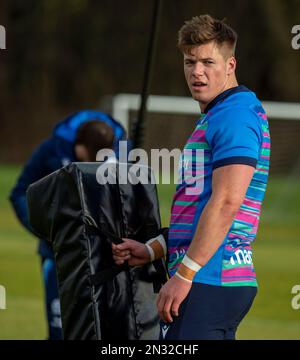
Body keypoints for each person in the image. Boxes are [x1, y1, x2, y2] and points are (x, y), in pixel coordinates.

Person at [111, 14, 271, 340]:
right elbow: (196, 209)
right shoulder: (217, 114)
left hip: (211, 278)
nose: (197, 72)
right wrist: (152, 248)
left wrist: (184, 276)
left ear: (230, 65)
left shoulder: (234, 114)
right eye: (189, 62)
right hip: (209, 277)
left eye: (208, 62)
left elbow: (227, 201)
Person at [10, 110, 126, 339]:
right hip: (57, 256)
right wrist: (46, 230)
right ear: (78, 146)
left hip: (105, 260)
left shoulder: (121, 155)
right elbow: (19, 193)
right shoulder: (51, 150)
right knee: (60, 328)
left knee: (103, 331)